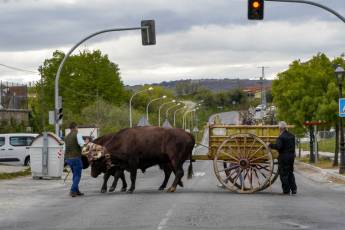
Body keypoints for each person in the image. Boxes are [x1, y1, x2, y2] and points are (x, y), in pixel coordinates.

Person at [269, 121, 297, 195]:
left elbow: (279, 147)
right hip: (291, 156)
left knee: (284, 174)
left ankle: (286, 190)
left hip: (284, 157)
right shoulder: (292, 136)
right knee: (290, 173)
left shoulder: (281, 137)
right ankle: (294, 189)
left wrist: (270, 145)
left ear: (280, 128)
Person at [65, 122, 85, 197]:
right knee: (78, 176)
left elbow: (65, 148)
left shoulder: (66, 136)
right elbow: (82, 144)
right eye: (77, 127)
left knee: (75, 175)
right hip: (76, 158)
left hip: (68, 159)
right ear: (75, 127)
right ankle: (73, 190)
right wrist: (85, 144)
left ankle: (76, 190)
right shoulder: (78, 134)